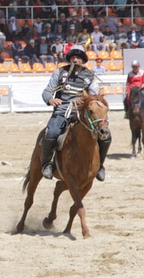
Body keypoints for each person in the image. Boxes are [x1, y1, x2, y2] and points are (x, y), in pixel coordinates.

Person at [40, 45, 110, 182]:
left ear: (83, 60)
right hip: (62, 111)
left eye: (78, 57)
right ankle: (46, 164)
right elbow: (47, 90)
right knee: (51, 133)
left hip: (83, 113)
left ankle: (100, 165)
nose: (75, 60)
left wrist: (84, 100)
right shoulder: (60, 72)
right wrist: (50, 99)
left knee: (106, 136)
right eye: (73, 57)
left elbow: (95, 97)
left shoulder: (90, 76)